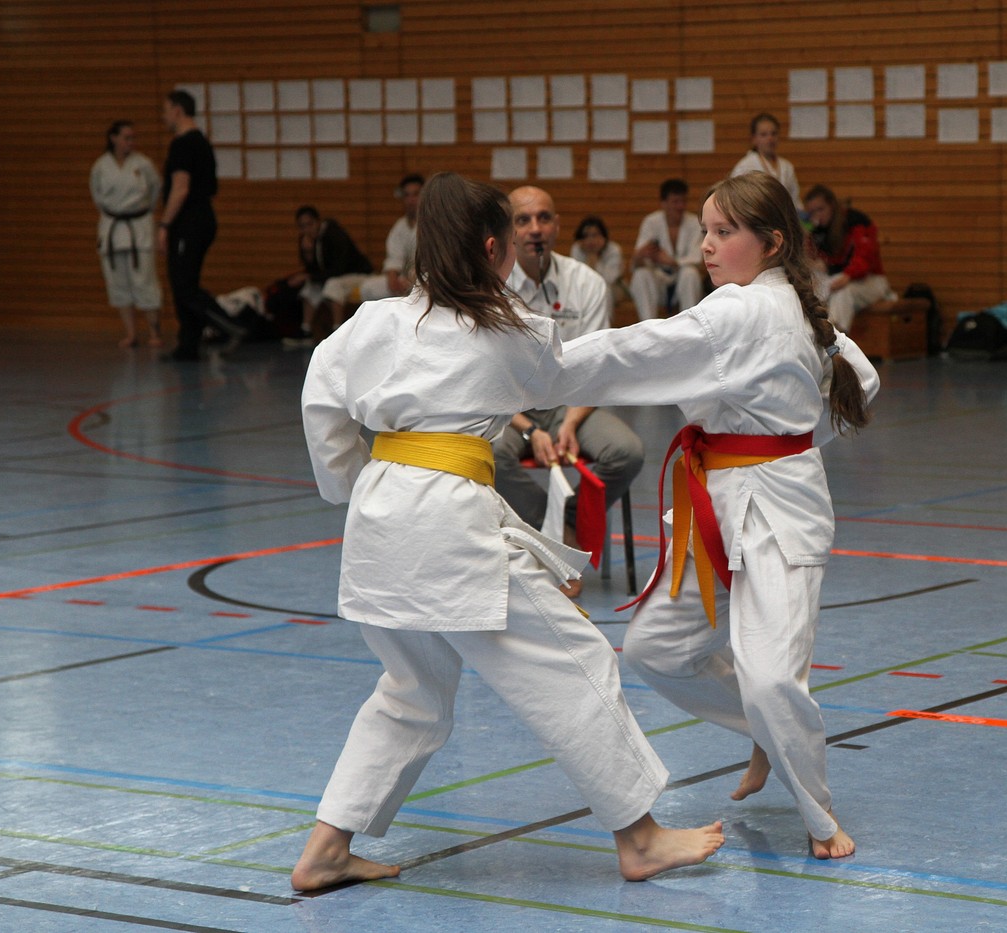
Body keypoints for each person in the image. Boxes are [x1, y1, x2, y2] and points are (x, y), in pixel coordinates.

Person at [291, 172, 724, 892]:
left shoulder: (371, 323)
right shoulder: (504, 332)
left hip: (379, 517)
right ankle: (641, 837)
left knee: (412, 691)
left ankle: (326, 848)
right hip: (447, 524)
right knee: (575, 661)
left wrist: (348, 480)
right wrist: (708, 340)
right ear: (495, 249)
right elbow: (590, 368)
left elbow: (320, 399)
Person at [540, 171, 880, 861]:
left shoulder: (747, 310)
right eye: (705, 231)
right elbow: (863, 380)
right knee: (656, 649)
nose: (707, 245)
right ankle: (766, 731)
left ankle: (820, 815)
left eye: (725, 232)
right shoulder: (762, 305)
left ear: (772, 242)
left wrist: (530, 366)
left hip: (780, 510)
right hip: (714, 501)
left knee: (774, 677)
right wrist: (792, 438)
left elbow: (630, 351)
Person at [496, 189, 645, 600]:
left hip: (572, 405)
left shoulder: (587, 283)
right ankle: (555, 534)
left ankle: (568, 522)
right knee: (487, 454)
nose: (535, 229)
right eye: (523, 220)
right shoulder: (491, 286)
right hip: (510, 409)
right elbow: (488, 376)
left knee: (627, 451)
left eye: (544, 218)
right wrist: (530, 431)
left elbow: (599, 366)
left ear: (558, 226)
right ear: (509, 230)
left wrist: (572, 422)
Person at [156, 89, 245, 361]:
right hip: (201, 218)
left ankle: (229, 326)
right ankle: (188, 344)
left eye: (165, 110)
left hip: (189, 222)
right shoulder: (202, 142)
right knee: (184, 282)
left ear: (177, 110)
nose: (163, 117)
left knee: (184, 286)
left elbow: (180, 188)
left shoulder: (183, 144)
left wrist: (164, 224)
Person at [90, 120, 163, 349]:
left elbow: (155, 190)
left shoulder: (143, 164)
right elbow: (97, 197)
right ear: (113, 138)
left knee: (145, 281)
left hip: (139, 224)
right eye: (126, 138)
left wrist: (143, 211)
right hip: (112, 226)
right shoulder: (101, 166)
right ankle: (131, 334)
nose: (131, 142)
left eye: (133, 138)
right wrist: (115, 213)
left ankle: (154, 332)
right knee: (118, 283)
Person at [803, 184, 895, 333]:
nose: (818, 215)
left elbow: (865, 257)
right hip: (836, 280)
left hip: (870, 280)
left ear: (832, 205)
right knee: (815, 290)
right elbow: (811, 261)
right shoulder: (816, 230)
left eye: (821, 209)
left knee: (842, 292)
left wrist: (848, 275)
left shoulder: (856, 222)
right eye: (812, 212)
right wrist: (806, 234)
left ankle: (833, 336)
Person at [284, 205, 374, 348]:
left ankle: (338, 330)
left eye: (309, 224)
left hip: (357, 275)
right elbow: (314, 270)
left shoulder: (334, 235)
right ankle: (306, 330)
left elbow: (338, 269)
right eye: (302, 226)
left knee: (333, 285)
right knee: (311, 287)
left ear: (317, 221)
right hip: (335, 276)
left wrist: (309, 276)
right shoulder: (308, 240)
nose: (307, 230)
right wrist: (308, 254)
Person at [629, 178, 704, 321]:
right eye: (675, 202)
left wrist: (671, 262)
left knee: (690, 273)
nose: (680, 206)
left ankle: (691, 324)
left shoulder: (694, 223)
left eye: (683, 201)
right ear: (663, 203)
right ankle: (647, 325)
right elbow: (637, 262)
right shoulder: (651, 222)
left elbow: (697, 258)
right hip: (658, 281)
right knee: (640, 274)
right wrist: (640, 255)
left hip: (683, 280)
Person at [357, 173, 424, 302]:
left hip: (424, 278)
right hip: (404, 278)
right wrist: (392, 277)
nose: (411, 200)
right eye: (407, 195)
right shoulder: (400, 226)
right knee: (368, 288)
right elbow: (394, 257)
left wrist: (413, 277)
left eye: (415, 194)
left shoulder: (432, 223)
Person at [730, 112, 802, 213]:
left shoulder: (787, 166)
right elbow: (734, 199)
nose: (770, 139)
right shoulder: (745, 166)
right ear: (754, 139)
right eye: (764, 134)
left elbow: (795, 201)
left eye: (774, 133)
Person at [569, 215, 624, 318]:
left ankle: (606, 322)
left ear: (603, 237)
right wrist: (590, 258)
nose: (591, 240)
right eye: (586, 236)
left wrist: (595, 259)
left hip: (614, 288)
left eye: (595, 235)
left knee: (604, 288)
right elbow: (577, 277)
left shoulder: (613, 249)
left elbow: (610, 278)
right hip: (584, 287)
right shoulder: (577, 249)